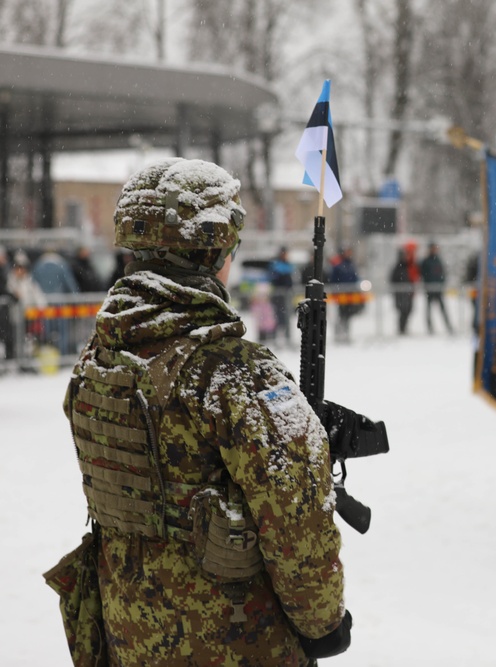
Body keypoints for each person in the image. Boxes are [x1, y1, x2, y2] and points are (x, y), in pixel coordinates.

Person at [47, 158, 350, 665]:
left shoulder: (96, 360)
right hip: (232, 641)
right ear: (213, 251)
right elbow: (296, 522)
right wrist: (324, 624)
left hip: (129, 634)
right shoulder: (233, 373)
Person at [32, 247, 80, 356]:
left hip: (43, 303)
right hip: (60, 302)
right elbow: (70, 283)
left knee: (46, 331)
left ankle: (48, 354)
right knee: (62, 330)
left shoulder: (39, 264)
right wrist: (76, 297)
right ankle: (62, 354)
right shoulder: (61, 264)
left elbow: (33, 283)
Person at [327, 246, 364, 343]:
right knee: (341, 315)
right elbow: (334, 280)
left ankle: (346, 333)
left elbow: (355, 278)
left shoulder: (351, 265)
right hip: (341, 295)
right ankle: (339, 334)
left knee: (348, 315)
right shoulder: (339, 265)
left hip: (350, 295)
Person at [420, 240, 454, 334]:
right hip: (430, 289)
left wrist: (441, 283)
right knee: (428, 310)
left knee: (442, 309)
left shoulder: (438, 260)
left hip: (438, 289)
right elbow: (423, 274)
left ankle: (448, 327)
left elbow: (442, 273)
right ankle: (430, 328)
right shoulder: (426, 261)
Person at [268, 246, 296, 347]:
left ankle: (287, 339)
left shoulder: (286, 264)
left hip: (286, 296)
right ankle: (276, 339)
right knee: (277, 317)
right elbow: (274, 279)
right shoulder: (276, 264)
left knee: (286, 318)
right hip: (278, 296)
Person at [389, 243, 418, 335]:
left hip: (407, 293)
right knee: (403, 311)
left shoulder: (408, 266)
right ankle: (401, 329)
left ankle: (403, 328)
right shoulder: (398, 267)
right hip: (401, 294)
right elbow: (393, 279)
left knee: (408, 310)